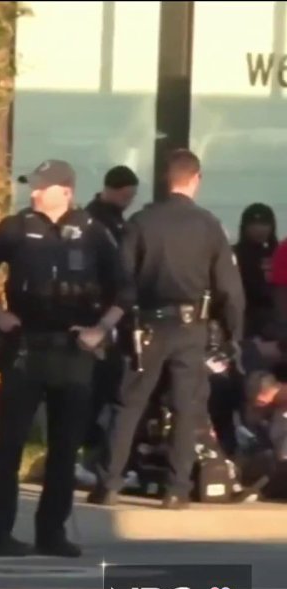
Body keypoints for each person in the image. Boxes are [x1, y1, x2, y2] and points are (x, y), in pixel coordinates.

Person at [0, 159, 128, 558]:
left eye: (42, 186)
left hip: (74, 350)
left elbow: (124, 292)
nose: (34, 192)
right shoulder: (16, 227)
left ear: (65, 192)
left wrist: (100, 329)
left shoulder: (93, 233)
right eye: (33, 186)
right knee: (9, 444)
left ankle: (52, 531)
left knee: (64, 446)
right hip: (26, 347)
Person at [89, 149, 244, 509]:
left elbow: (122, 280)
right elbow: (229, 289)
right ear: (196, 179)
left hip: (147, 326)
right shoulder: (208, 225)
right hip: (192, 327)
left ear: (165, 180)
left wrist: (122, 323)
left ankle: (109, 482)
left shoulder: (141, 222)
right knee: (186, 406)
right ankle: (176, 489)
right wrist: (232, 334)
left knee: (129, 404)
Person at [81, 166, 139, 477]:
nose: (128, 202)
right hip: (99, 311)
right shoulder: (95, 221)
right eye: (126, 195)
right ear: (112, 189)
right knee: (97, 386)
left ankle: (101, 450)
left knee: (111, 383)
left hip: (117, 312)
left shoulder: (118, 221)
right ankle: (90, 450)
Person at [234, 203, 277, 341]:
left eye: (264, 224)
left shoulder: (280, 253)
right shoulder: (235, 254)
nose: (260, 229)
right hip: (246, 318)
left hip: (277, 317)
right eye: (254, 224)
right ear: (245, 227)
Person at [84, 165, 139, 243]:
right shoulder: (94, 219)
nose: (129, 202)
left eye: (132, 197)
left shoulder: (116, 216)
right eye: (125, 196)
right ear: (109, 190)